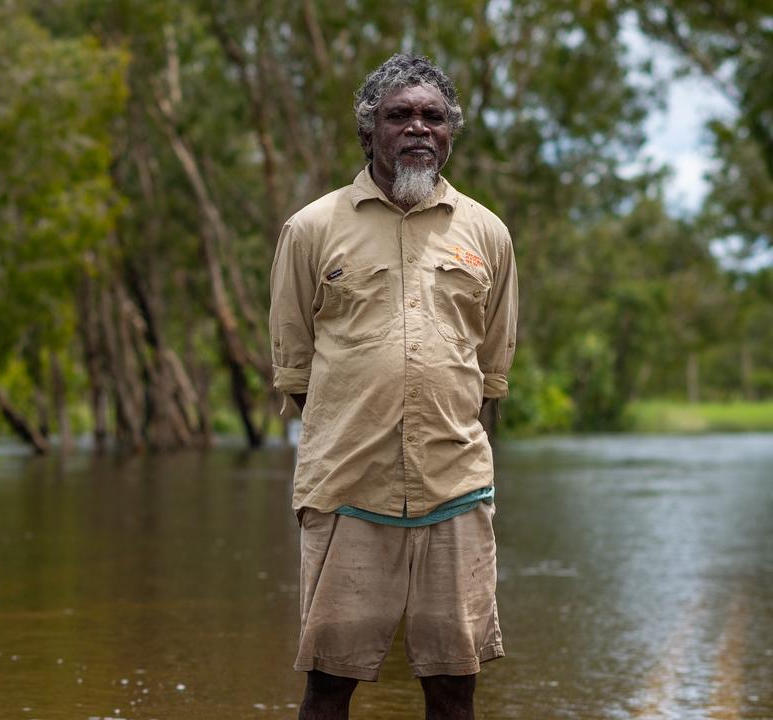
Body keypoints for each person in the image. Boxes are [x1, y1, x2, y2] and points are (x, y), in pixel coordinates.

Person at [268, 53, 518, 720]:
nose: (416, 128)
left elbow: (489, 370)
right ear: (369, 130)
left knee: (453, 684)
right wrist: (364, 426)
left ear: (450, 132)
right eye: (398, 115)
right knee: (329, 683)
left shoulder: (487, 234)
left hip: (455, 488)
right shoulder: (312, 229)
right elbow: (295, 370)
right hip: (347, 489)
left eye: (432, 116)